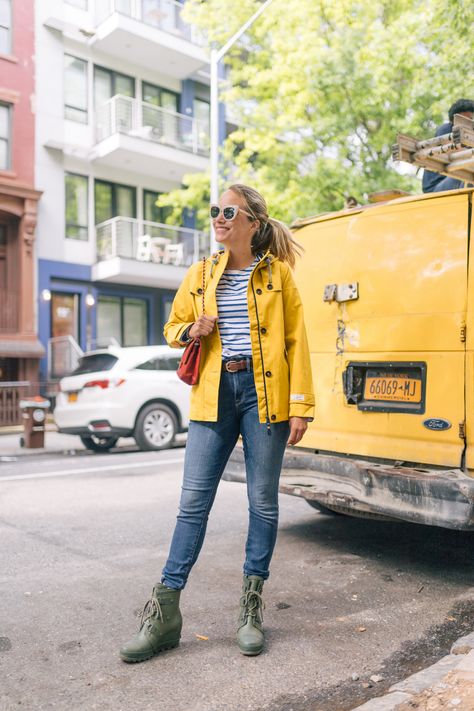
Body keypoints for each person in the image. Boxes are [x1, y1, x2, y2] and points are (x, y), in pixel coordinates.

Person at [120, 184, 315, 662]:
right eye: (215, 211)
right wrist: (193, 329)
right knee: (193, 504)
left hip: (264, 396)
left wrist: (301, 403)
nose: (219, 218)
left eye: (229, 211)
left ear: (252, 221)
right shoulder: (200, 273)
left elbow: (296, 341)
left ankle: (250, 607)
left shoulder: (278, 276)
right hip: (213, 396)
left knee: (263, 503)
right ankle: (164, 611)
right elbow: (172, 329)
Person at [422, 98, 474, 193]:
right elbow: (458, 155)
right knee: (467, 176)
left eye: (471, 120)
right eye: (465, 120)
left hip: (455, 178)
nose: (469, 124)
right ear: (453, 120)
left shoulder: (469, 138)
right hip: (436, 187)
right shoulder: (446, 130)